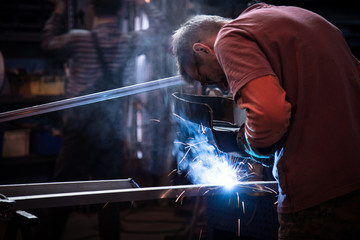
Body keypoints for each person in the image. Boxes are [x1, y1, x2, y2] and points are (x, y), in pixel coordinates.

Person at [172, 2, 360, 239]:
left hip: (317, 195)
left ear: (202, 50)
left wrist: (248, 143)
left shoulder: (229, 38)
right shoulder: (301, 18)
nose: (224, 88)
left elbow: (269, 118)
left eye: (209, 79)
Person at [36, 0, 166, 239]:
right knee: (109, 194)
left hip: (80, 125)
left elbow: (47, 42)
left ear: (93, 10)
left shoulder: (78, 38)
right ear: (120, 11)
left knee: (63, 189)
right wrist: (143, 3)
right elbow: (159, 29)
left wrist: (59, 9)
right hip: (112, 127)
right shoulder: (128, 41)